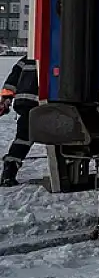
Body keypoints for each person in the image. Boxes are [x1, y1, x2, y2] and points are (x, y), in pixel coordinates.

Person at [0, 56, 38, 187]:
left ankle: (9, 172)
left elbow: (11, 81)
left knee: (22, 139)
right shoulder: (58, 53)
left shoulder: (26, 59)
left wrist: (6, 99)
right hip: (44, 105)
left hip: (24, 104)